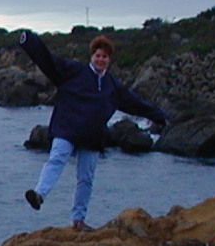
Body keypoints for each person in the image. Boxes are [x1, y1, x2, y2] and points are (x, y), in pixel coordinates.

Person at [17, 30, 169, 230]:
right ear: (92, 56)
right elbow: (49, 61)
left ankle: (78, 220)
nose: (100, 59)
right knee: (56, 159)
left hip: (91, 136)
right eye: (98, 55)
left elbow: (135, 103)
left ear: (109, 59)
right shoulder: (74, 71)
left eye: (104, 56)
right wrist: (29, 41)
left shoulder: (112, 86)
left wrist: (160, 117)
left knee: (86, 179)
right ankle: (39, 195)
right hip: (67, 128)